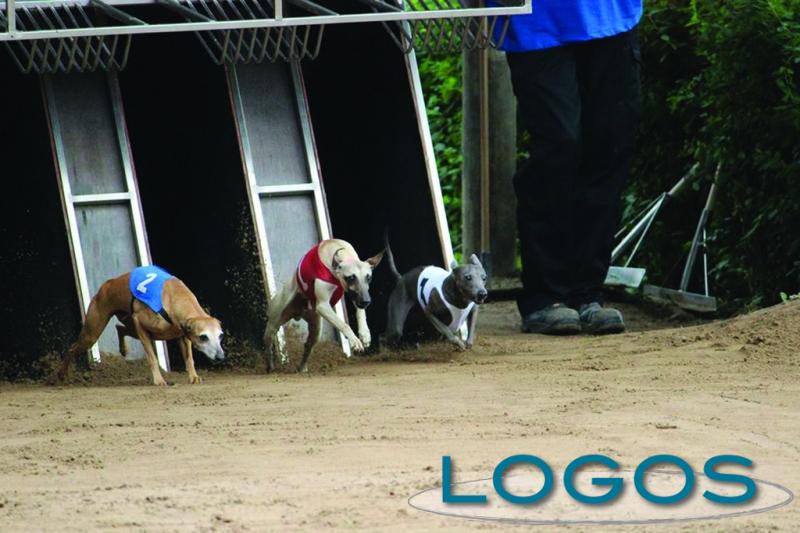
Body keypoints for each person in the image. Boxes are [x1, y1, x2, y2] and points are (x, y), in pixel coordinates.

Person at [501, 0, 643, 334]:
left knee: (608, 146)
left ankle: (587, 293)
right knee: (558, 145)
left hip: (612, 15)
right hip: (536, 22)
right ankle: (545, 296)